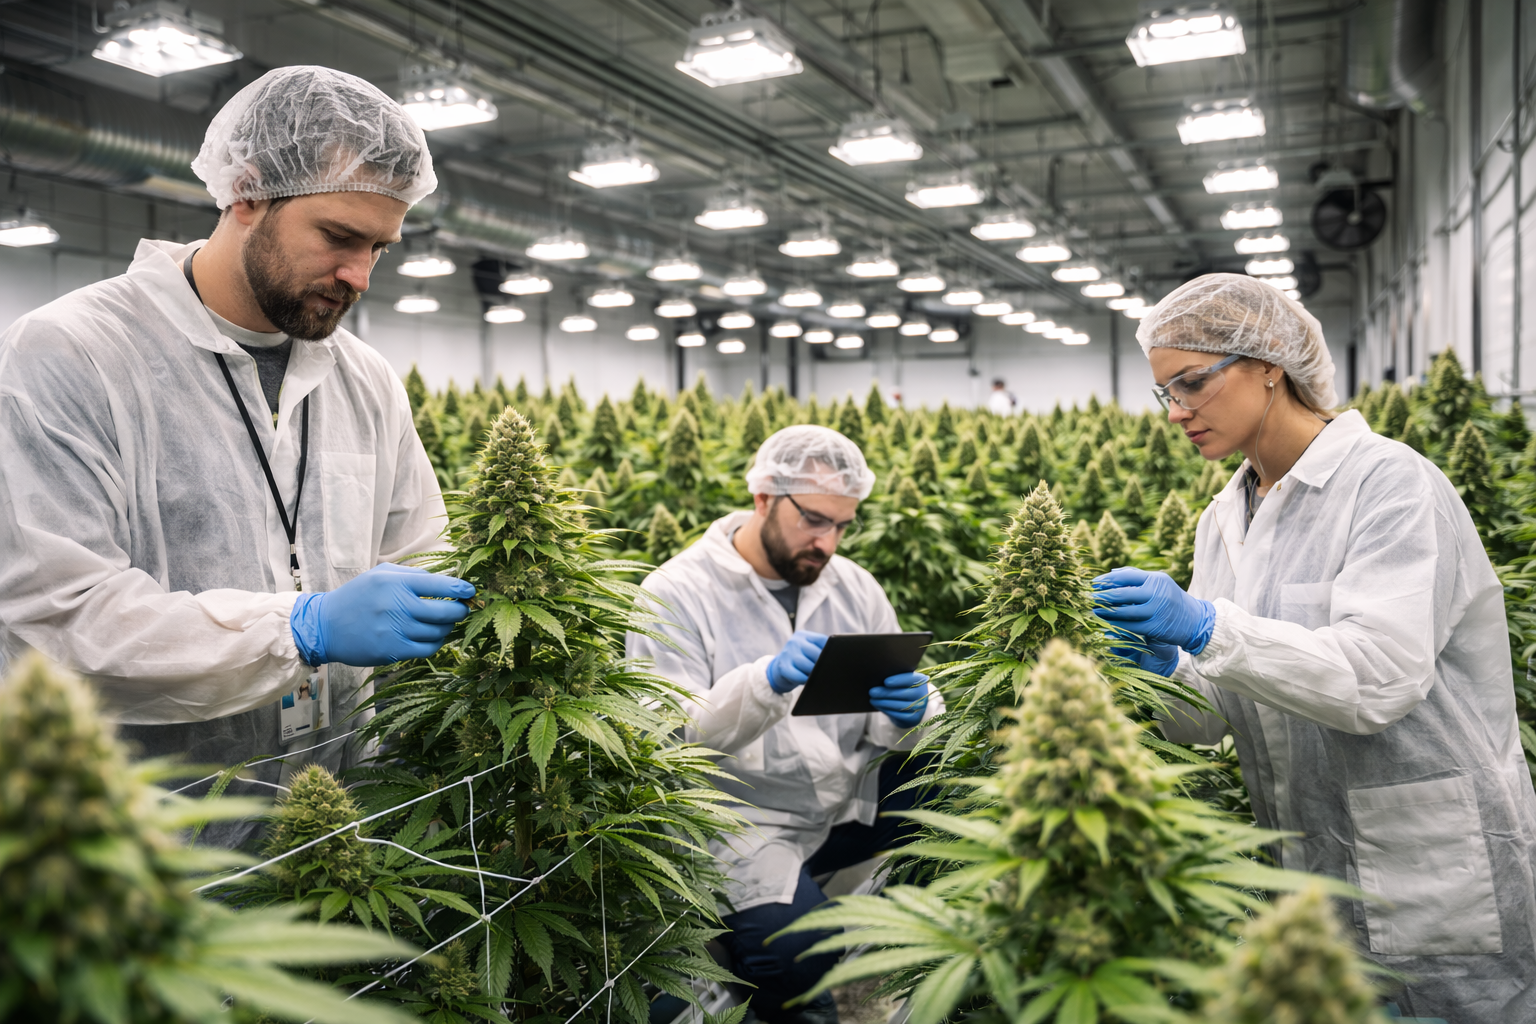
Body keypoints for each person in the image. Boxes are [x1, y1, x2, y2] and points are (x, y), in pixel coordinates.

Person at [0, 66, 474, 846]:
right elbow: (57, 623)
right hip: (139, 849)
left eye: (379, 247)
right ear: (246, 193)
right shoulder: (69, 355)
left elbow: (421, 552)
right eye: (338, 237)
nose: (359, 275)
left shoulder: (364, 379)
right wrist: (299, 628)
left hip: (341, 831)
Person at [1093, 273, 1536, 1022]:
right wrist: (1169, 673)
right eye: (1164, 393)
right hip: (1301, 860)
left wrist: (1208, 627)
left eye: (1192, 383)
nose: (1176, 413)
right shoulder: (1222, 519)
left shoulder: (1391, 485)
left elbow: (1378, 678)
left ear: (1269, 363)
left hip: (1428, 857)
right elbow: (1223, 712)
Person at [626, 425, 942, 1024]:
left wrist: (916, 712)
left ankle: (898, 936)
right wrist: (763, 683)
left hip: (838, 802)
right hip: (743, 821)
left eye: (843, 525)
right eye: (816, 521)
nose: (828, 543)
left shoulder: (855, 587)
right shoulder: (674, 593)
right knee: (799, 958)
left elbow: (889, 716)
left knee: (951, 793)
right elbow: (665, 736)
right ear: (765, 497)